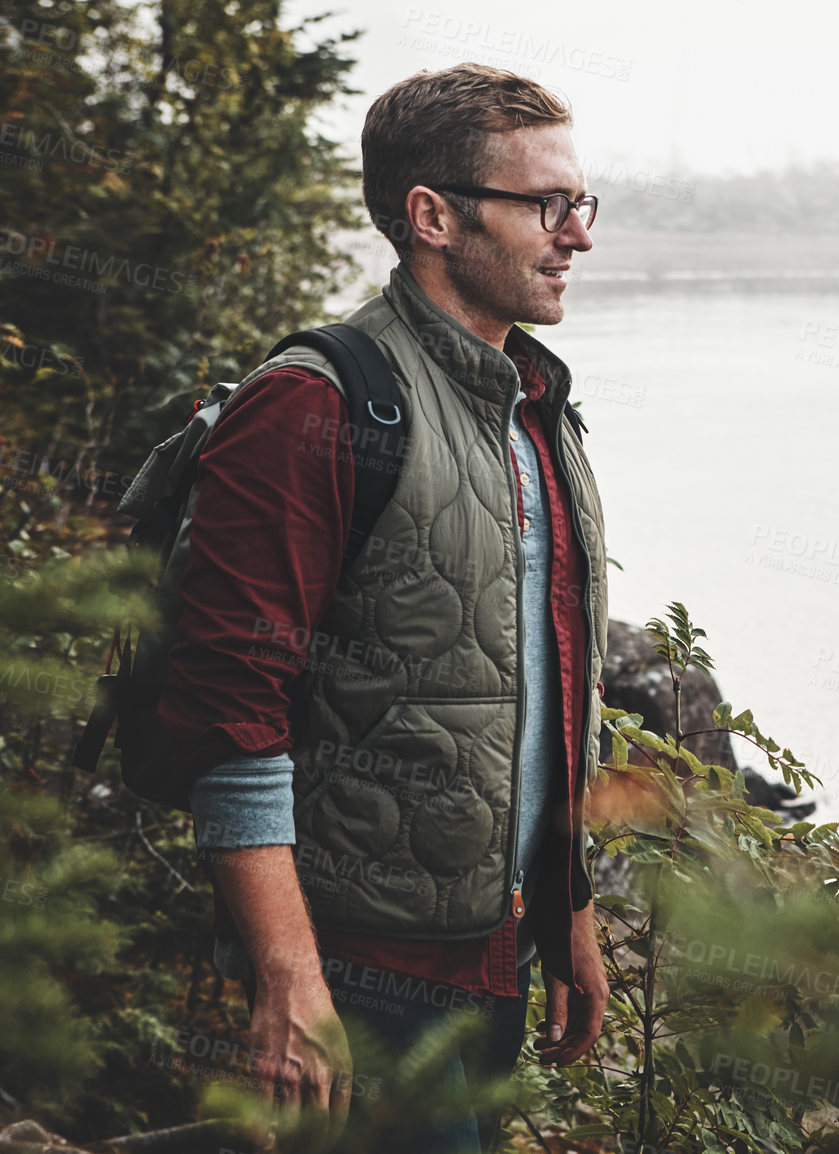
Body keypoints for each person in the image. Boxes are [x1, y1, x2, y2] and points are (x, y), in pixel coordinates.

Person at [158, 63, 610, 1152]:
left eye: (581, 202)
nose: (577, 235)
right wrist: (289, 975)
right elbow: (230, 701)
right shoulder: (315, 401)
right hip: (362, 970)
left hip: (493, 954)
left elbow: (545, 680)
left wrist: (569, 912)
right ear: (433, 216)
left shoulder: (534, 407)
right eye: (546, 204)